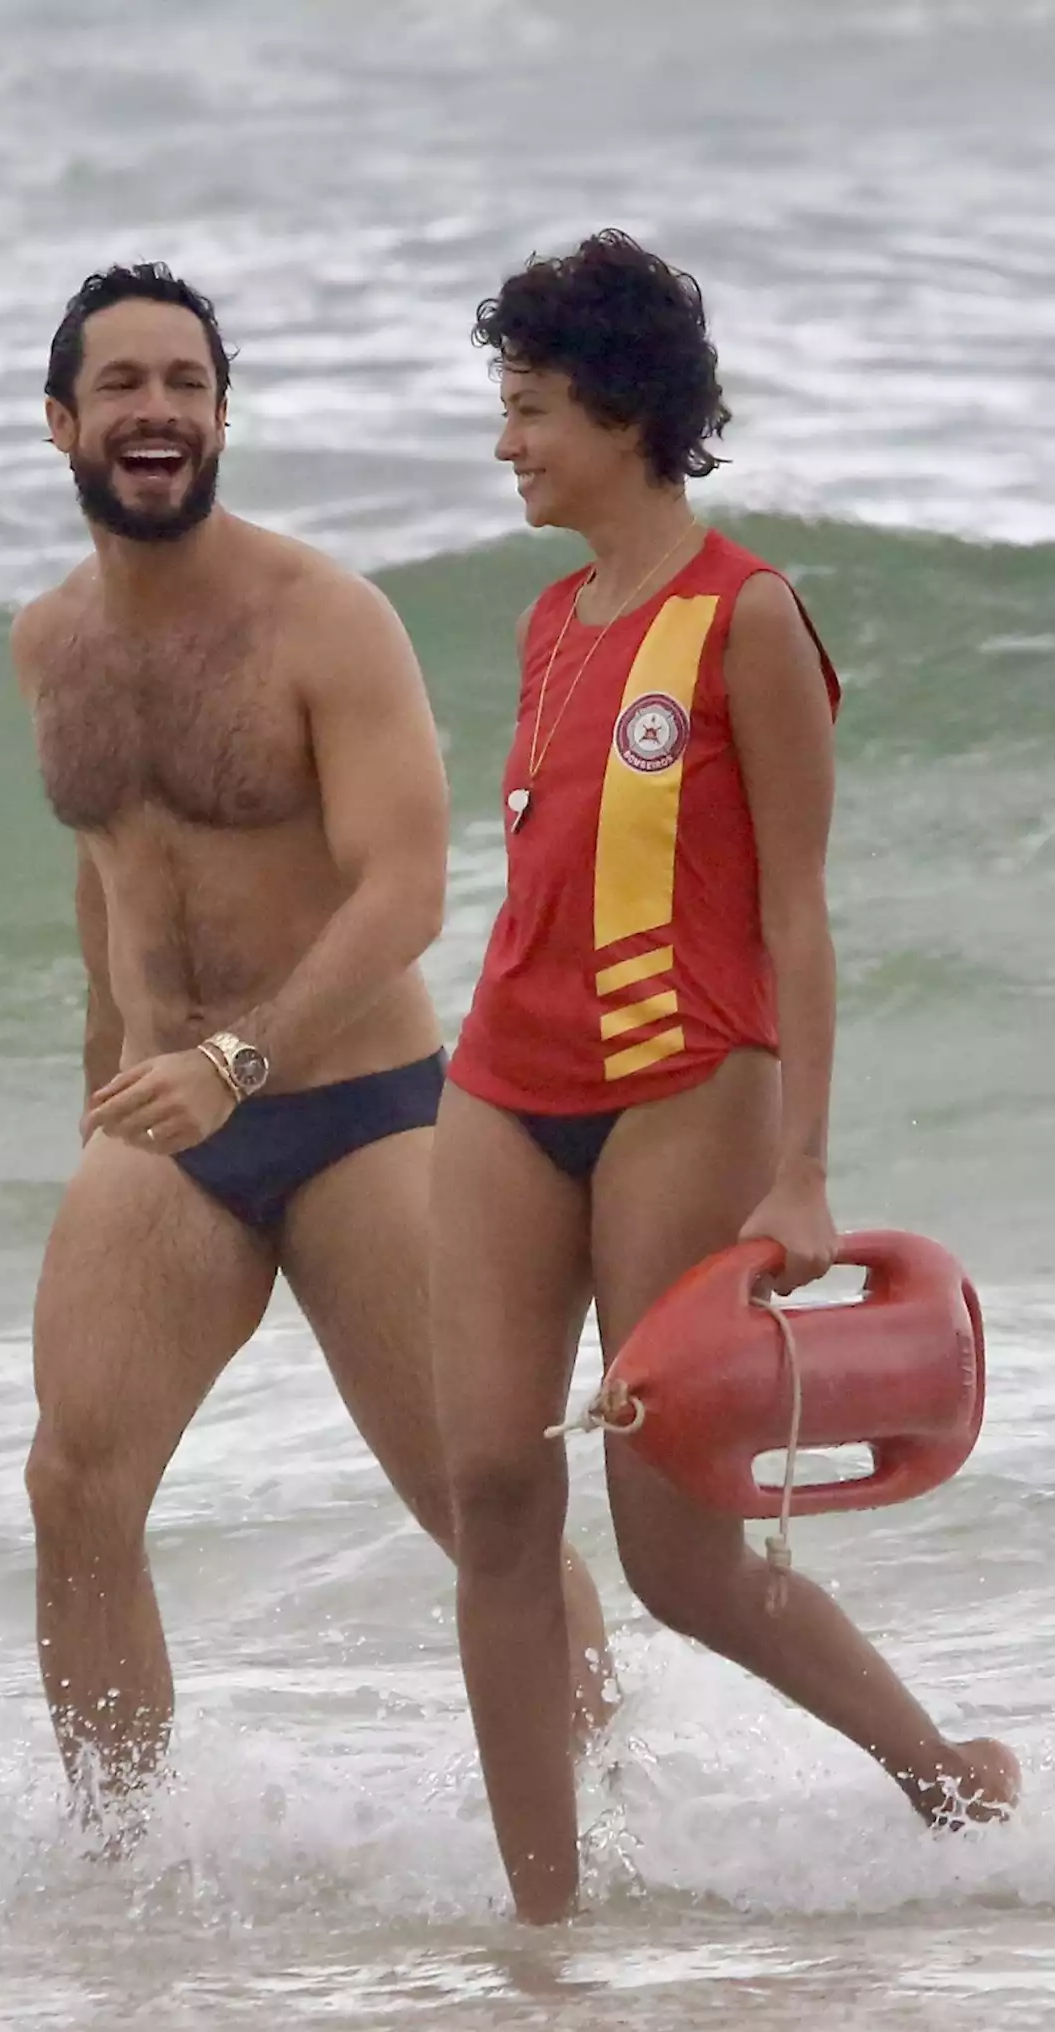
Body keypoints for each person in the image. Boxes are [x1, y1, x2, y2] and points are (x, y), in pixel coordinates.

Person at [430, 231, 1020, 1923]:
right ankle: (543, 1923)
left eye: (531, 407)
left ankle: (945, 1780)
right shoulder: (551, 620)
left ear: (621, 409)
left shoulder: (748, 614)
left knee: (674, 1551)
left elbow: (798, 915)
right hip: (502, 1083)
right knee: (489, 1487)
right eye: (506, 406)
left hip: (687, 1086)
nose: (507, 442)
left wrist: (806, 1168)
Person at [10, 263, 610, 1817]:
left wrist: (242, 1059)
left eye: (188, 384)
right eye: (127, 384)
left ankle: (618, 1811)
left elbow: (406, 893)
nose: (160, 409)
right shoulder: (47, 645)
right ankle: (117, 1865)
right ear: (64, 421)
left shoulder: (323, 619)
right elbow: (109, 877)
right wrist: (107, 1084)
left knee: (484, 1509)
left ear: (221, 418)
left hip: (362, 1113)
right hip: (166, 1127)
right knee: (74, 1486)